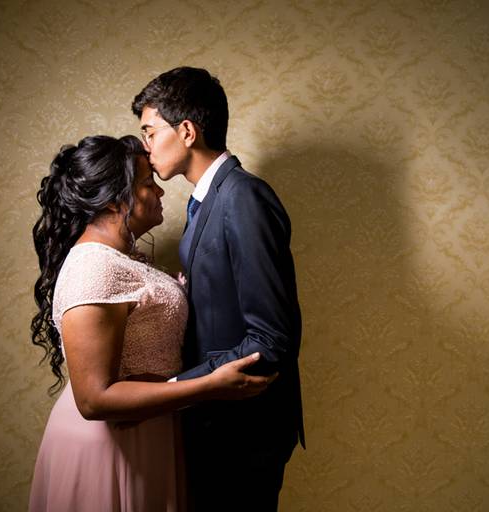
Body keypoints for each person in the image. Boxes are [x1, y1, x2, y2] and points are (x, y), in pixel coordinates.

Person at [28, 134, 275, 512]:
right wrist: (209, 386)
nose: (159, 192)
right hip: (111, 444)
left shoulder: (122, 258)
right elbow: (94, 399)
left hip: (146, 429)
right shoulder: (94, 266)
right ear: (113, 199)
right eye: (147, 184)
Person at [132, 67, 305, 511]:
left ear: (186, 130)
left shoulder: (243, 197)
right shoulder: (206, 202)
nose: (145, 147)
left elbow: (270, 339)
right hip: (216, 425)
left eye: (150, 132)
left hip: (244, 433)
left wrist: (174, 387)